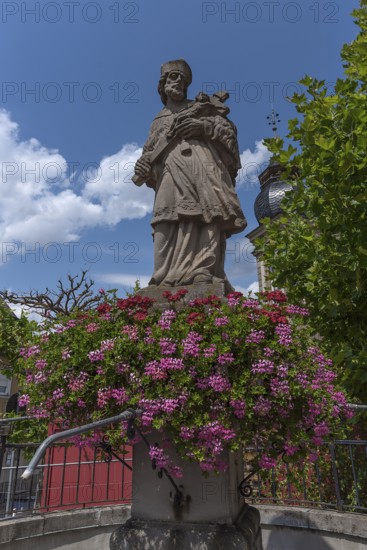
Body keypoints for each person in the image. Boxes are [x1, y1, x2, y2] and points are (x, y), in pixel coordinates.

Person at [133, 59, 247, 288]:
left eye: (182, 79)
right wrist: (143, 167)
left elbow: (229, 133)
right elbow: (149, 152)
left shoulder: (203, 108)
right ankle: (162, 277)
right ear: (162, 84)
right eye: (172, 77)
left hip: (203, 168)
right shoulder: (159, 120)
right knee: (163, 219)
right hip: (169, 171)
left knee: (207, 216)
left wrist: (203, 127)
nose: (178, 82)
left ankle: (202, 271)